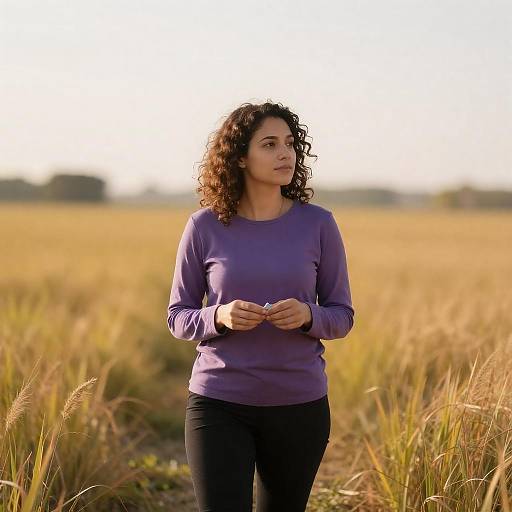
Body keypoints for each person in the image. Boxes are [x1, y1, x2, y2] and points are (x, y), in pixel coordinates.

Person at [167, 100, 355, 512]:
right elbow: (178, 317)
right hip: (217, 403)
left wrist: (309, 316)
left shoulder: (319, 224)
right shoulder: (204, 226)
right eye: (269, 144)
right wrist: (219, 315)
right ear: (239, 157)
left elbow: (342, 315)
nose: (285, 153)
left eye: (289, 143)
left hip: (299, 405)